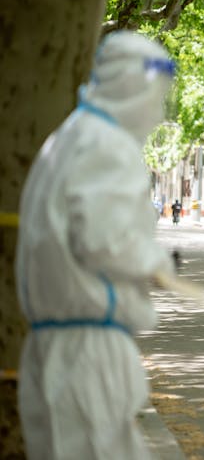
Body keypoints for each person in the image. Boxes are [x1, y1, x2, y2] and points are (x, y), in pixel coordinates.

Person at [15, 30, 177, 459]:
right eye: (156, 97)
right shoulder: (109, 146)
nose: (158, 113)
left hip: (52, 350)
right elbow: (106, 241)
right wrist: (155, 262)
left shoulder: (68, 137)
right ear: (135, 89)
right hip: (88, 352)